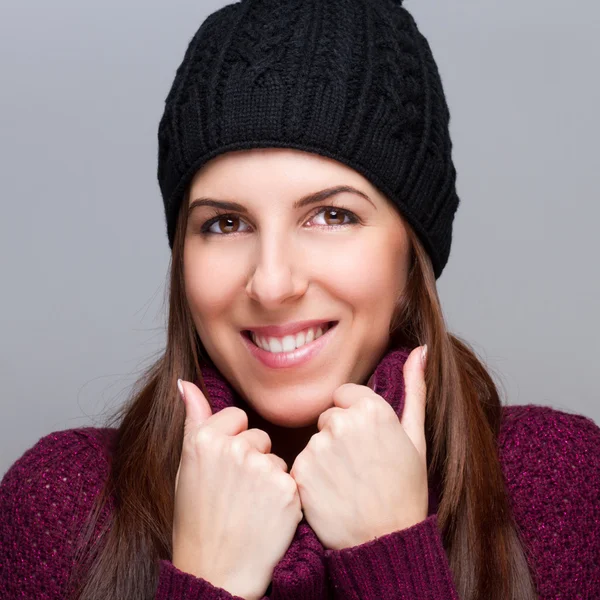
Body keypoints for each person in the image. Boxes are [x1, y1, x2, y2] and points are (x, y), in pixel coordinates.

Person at [1, 0, 599, 598]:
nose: (272, 283)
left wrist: (391, 558)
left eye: (331, 215)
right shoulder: (63, 506)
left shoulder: (554, 483)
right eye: (226, 223)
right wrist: (207, 579)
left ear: (410, 252)